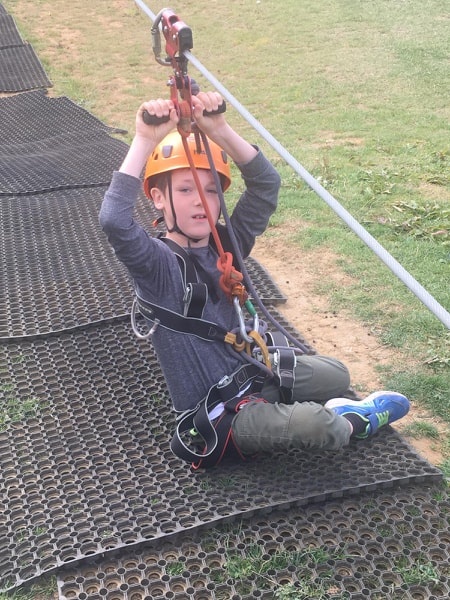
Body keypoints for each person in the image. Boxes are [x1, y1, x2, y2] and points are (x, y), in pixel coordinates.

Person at [99, 90, 410, 467]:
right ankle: (352, 421)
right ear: (158, 198)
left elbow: (265, 185)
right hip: (223, 413)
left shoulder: (226, 245)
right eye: (185, 189)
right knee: (321, 426)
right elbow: (114, 220)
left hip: (255, 370)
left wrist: (219, 129)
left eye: (212, 190)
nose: (201, 201)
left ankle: (302, 405)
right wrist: (145, 139)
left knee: (337, 375)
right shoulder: (157, 265)